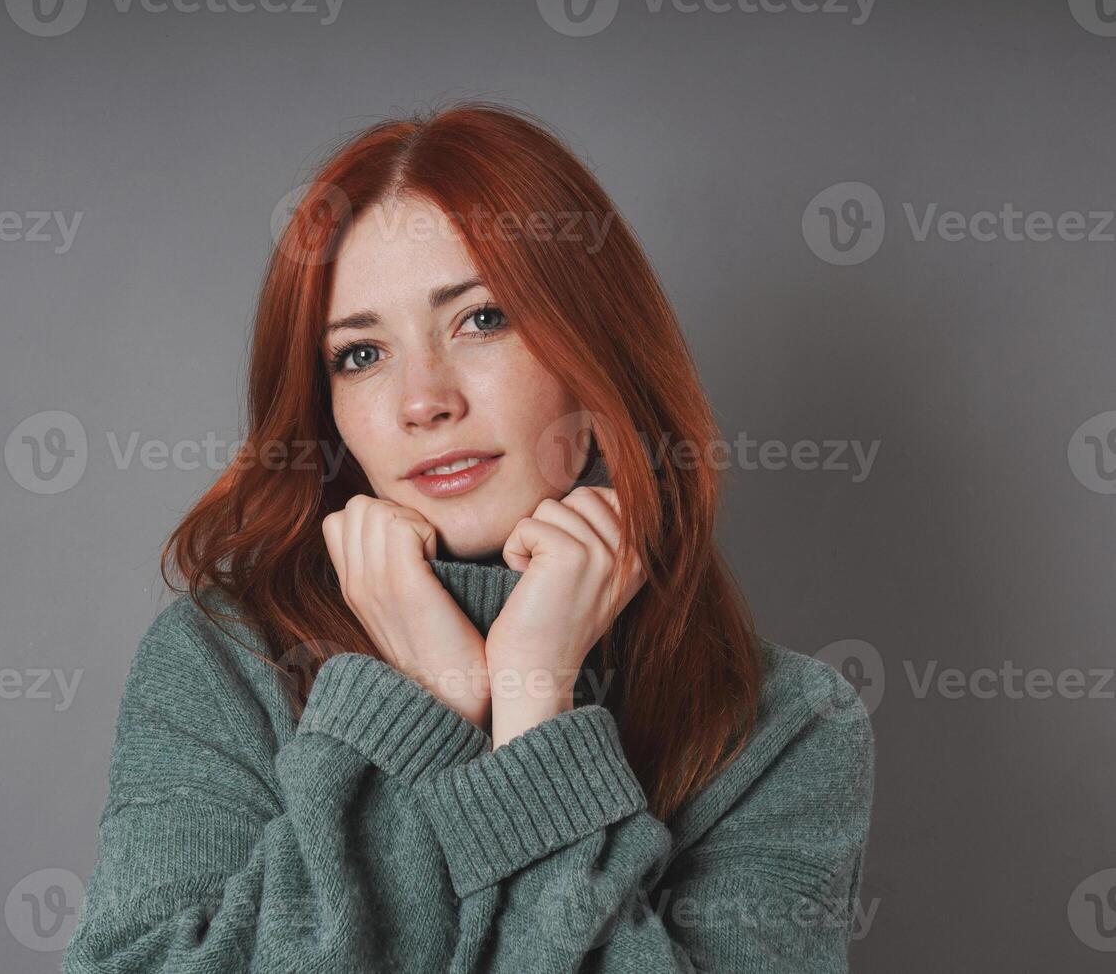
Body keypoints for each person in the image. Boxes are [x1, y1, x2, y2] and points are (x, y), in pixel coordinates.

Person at [62, 101, 875, 973]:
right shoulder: (223, 663)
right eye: (360, 355)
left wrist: (533, 703)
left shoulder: (787, 726)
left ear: (596, 352)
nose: (423, 400)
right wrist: (415, 700)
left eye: (481, 319)